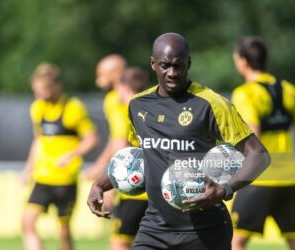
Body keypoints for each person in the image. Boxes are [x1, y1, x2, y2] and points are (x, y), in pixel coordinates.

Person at [87, 33, 271, 250]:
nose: (172, 73)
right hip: (154, 228)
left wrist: (225, 190)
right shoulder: (138, 106)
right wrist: (100, 184)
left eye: (179, 66)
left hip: (205, 231)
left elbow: (259, 155)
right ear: (153, 64)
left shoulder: (211, 104)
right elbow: (139, 160)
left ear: (189, 63)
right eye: (165, 66)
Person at [231, 36, 295, 250]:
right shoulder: (289, 90)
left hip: (259, 179)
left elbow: (251, 136)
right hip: (289, 176)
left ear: (243, 61)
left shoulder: (245, 93)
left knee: (236, 240)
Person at [21, 63, 99, 250]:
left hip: (66, 179)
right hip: (43, 178)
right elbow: (38, 141)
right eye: (36, 91)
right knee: (27, 222)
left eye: (43, 90)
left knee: (63, 230)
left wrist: (71, 155)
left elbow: (92, 138)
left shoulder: (73, 108)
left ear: (56, 86)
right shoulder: (37, 108)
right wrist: (28, 170)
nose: (39, 95)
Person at [86, 55, 149, 250]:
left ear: (115, 74)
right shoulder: (148, 96)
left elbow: (121, 142)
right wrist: (99, 164)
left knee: (121, 242)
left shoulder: (117, 100)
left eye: (101, 74)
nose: (98, 80)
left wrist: (113, 182)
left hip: (135, 177)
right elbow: (115, 139)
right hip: (154, 177)